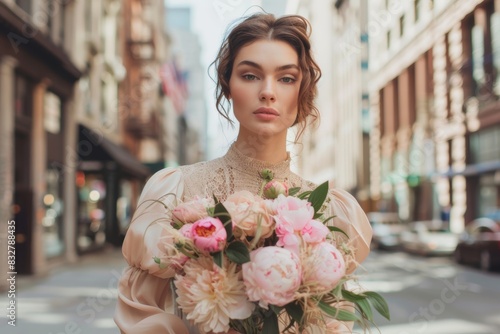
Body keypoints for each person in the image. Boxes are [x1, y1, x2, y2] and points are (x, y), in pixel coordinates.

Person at [114, 12, 372, 334]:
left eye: (286, 78)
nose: (268, 91)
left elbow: (335, 321)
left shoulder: (334, 211)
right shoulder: (176, 191)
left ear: (301, 91)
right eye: (250, 76)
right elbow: (141, 315)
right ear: (228, 85)